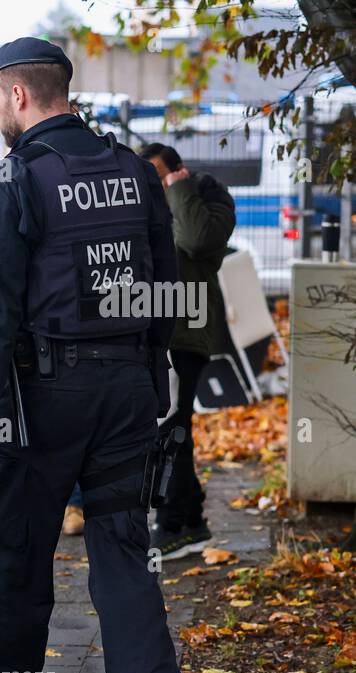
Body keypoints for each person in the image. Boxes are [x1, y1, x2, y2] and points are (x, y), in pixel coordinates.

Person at [0, 38, 188, 673]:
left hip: (42, 396)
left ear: (19, 96)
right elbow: (164, 287)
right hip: (126, 391)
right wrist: (152, 388)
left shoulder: (12, 181)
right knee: (123, 548)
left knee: (18, 550)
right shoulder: (131, 171)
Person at [139, 142, 235, 560]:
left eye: (160, 176)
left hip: (187, 329)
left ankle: (172, 525)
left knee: (172, 427)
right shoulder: (151, 203)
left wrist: (179, 191)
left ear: (179, 172)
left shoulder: (206, 197)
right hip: (153, 325)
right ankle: (192, 522)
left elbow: (196, 242)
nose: (153, 184)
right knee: (173, 424)